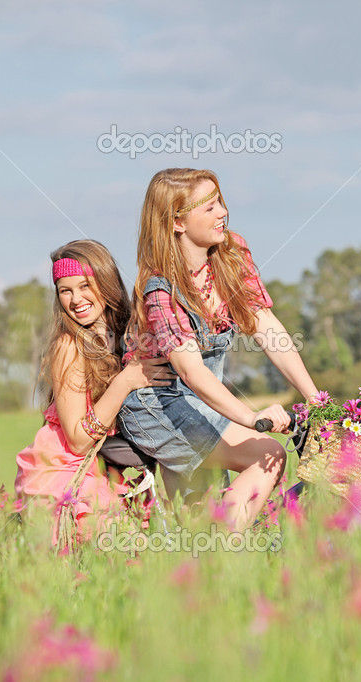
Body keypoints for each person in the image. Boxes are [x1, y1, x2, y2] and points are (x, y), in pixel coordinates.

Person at [118, 168, 322, 531]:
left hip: (205, 399)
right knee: (268, 454)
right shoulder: (160, 288)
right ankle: (225, 552)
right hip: (157, 406)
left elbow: (266, 327)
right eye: (208, 207)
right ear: (177, 222)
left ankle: (208, 568)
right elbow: (191, 372)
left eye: (220, 202)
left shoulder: (231, 253)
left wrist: (316, 398)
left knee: (199, 517)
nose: (222, 213)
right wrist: (251, 417)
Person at [15, 240, 174, 543]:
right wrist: (125, 381)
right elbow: (76, 440)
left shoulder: (125, 335)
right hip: (65, 473)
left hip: (108, 470)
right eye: (65, 290)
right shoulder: (69, 347)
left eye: (85, 286)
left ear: (106, 282)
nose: (76, 299)